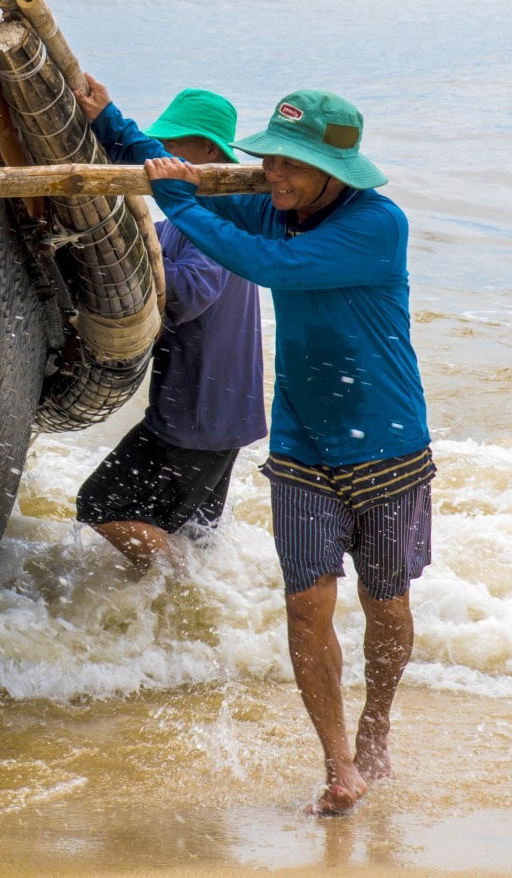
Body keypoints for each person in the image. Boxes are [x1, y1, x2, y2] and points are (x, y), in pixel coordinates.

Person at [143, 91, 434, 816]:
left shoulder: (377, 225)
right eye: (269, 155)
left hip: (385, 441)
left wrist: (178, 206)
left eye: (291, 163)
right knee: (306, 607)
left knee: (386, 603)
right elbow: (189, 182)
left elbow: (271, 265)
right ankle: (340, 764)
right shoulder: (279, 202)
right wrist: (108, 118)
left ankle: (377, 722)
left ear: (336, 171)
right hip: (302, 440)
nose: (272, 171)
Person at [72, 78, 266, 570]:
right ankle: (188, 614)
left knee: (101, 504)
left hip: (197, 415)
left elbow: (187, 291)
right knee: (192, 530)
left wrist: (126, 268)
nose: (159, 157)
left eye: (172, 145)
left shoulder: (215, 225)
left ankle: (181, 588)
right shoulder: (188, 220)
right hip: (220, 411)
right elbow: (142, 240)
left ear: (206, 153)